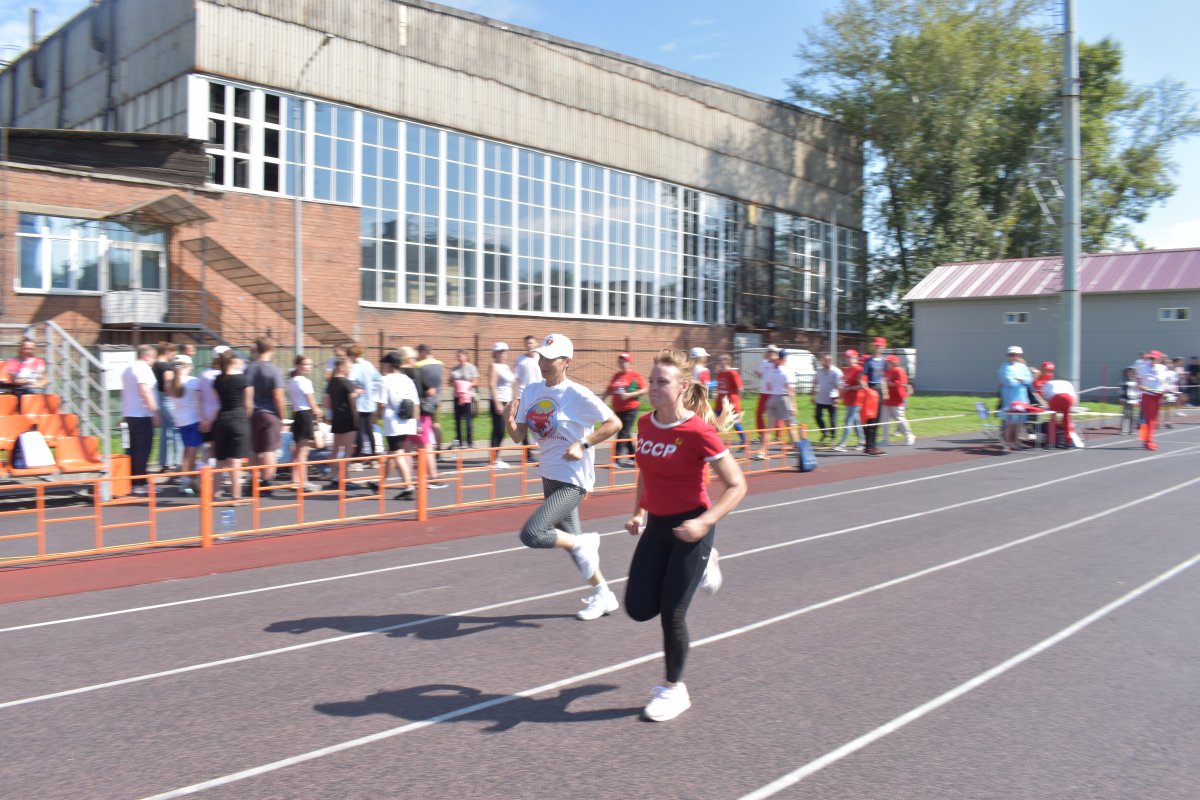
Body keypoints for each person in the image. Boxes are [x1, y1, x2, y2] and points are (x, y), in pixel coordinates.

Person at [624, 348, 747, 722]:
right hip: (657, 526)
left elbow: (737, 485)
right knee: (639, 607)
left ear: (683, 387)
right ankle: (705, 564)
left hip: (692, 529)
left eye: (662, 382)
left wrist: (705, 523)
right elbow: (645, 469)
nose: (653, 388)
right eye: (652, 381)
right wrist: (638, 511)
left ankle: (674, 689)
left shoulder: (698, 431)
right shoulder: (645, 424)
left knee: (672, 615)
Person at [505, 333, 621, 621]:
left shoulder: (577, 394)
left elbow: (614, 423)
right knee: (574, 546)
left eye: (551, 358)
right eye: (541, 357)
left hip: (573, 479)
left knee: (533, 534)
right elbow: (519, 437)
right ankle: (603, 594)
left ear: (567, 361)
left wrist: (583, 445)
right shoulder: (532, 391)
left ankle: (586, 546)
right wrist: (508, 420)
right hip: (549, 475)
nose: (543, 363)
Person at [244, 337, 287, 490]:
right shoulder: (274, 370)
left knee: (254, 449)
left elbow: (246, 394)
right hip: (269, 413)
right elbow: (278, 397)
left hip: (253, 413)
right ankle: (266, 482)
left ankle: (254, 481)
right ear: (271, 349)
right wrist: (282, 416)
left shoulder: (249, 368)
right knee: (270, 449)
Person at [401, 346, 446, 488]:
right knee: (426, 445)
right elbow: (431, 391)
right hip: (420, 412)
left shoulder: (397, 374)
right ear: (409, 359)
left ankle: (409, 480)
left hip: (403, 415)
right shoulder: (417, 371)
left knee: (406, 448)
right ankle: (433, 477)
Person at [375, 351, 418, 500]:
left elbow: (381, 403)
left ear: (389, 364)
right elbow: (416, 403)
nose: (382, 366)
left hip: (393, 422)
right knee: (393, 453)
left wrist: (376, 417)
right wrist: (416, 422)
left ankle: (409, 486)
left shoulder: (384, 380)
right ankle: (380, 483)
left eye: (384, 363)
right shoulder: (407, 379)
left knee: (397, 453)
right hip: (407, 421)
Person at [212, 350, 252, 500]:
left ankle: (214, 494)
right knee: (236, 461)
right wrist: (245, 419)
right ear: (234, 361)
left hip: (222, 419)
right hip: (239, 419)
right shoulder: (243, 379)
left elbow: (218, 401)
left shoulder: (217, 380)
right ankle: (236, 496)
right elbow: (248, 404)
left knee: (220, 461)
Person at [121, 344, 160, 495]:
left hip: (130, 414)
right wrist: (155, 413)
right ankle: (140, 483)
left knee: (133, 450)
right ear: (146, 356)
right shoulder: (143, 368)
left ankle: (133, 481)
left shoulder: (128, 369)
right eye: (153, 359)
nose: (154, 362)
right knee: (143, 450)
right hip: (142, 415)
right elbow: (145, 391)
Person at [601, 352, 647, 468]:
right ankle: (633, 457)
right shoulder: (617, 376)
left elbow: (644, 390)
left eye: (624, 362)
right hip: (618, 409)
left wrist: (630, 395)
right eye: (620, 362)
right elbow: (609, 389)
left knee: (622, 432)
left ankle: (616, 459)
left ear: (629, 363)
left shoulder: (635, 375)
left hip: (630, 409)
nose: (622, 364)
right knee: (626, 433)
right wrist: (601, 400)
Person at [287, 355, 323, 494]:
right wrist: (318, 412)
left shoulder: (292, 381)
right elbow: (311, 400)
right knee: (304, 450)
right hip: (305, 414)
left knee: (298, 450)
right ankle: (304, 482)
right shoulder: (304, 381)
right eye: (306, 364)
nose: (309, 367)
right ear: (298, 365)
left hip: (297, 414)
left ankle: (295, 480)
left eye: (310, 364)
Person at [754, 348, 799, 460]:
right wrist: (794, 405)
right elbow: (790, 390)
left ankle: (762, 452)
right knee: (790, 426)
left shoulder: (772, 369)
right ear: (784, 358)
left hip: (772, 398)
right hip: (783, 398)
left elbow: (768, 383)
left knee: (769, 427)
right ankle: (799, 449)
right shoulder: (786, 371)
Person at [170, 354, 204, 496]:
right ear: (188, 367)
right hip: (193, 420)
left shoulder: (172, 383)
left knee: (187, 452)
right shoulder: (193, 381)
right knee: (192, 454)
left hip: (181, 420)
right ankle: (188, 482)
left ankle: (186, 479)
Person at [347, 344, 381, 464]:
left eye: (349, 356)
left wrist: (357, 389)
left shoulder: (355, 367)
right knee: (368, 429)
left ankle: (359, 455)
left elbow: (349, 381)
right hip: (370, 402)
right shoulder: (368, 364)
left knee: (359, 429)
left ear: (353, 355)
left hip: (360, 401)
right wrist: (372, 389)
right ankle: (372, 455)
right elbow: (378, 378)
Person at [998, 345, 1034, 452]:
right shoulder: (1004, 367)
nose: (1013, 357)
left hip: (1022, 397)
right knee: (1010, 421)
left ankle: (1016, 440)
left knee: (1019, 421)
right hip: (1010, 397)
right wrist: (1018, 381)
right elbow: (1006, 380)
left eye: (1015, 354)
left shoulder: (1023, 367)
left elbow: (1029, 379)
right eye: (1011, 355)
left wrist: (1021, 380)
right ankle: (1008, 442)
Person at [152, 341, 180, 473]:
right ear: (168, 352)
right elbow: (168, 385)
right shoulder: (167, 366)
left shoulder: (155, 365)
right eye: (173, 353)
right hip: (168, 399)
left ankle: (165, 463)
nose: (173, 356)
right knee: (177, 429)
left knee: (166, 431)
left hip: (158, 398)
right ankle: (178, 463)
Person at [487, 342, 516, 469]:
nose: (503, 354)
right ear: (495, 353)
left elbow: (513, 383)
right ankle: (494, 459)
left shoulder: (507, 367)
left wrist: (514, 400)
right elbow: (492, 385)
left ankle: (496, 457)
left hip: (507, 401)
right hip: (498, 400)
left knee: (502, 430)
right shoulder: (494, 366)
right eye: (500, 351)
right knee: (498, 429)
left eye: (504, 351)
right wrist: (497, 403)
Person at [513, 334, 542, 459]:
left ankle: (543, 447)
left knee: (539, 422)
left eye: (532, 343)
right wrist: (515, 397)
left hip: (539, 395)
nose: (530, 346)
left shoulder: (541, 358)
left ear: (537, 344)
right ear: (525, 345)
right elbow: (516, 379)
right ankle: (527, 454)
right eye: (528, 343)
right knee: (522, 423)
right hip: (523, 394)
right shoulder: (520, 359)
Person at [831, 349, 864, 452]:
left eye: (849, 357)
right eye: (846, 357)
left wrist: (850, 388)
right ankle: (862, 441)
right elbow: (844, 384)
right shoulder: (846, 369)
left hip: (856, 400)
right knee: (856, 422)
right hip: (849, 399)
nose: (847, 359)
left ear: (855, 358)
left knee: (848, 422)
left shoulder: (858, 369)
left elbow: (862, 386)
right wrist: (840, 397)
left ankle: (843, 444)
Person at [415, 344, 446, 454]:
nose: (417, 355)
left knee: (424, 425)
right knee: (436, 425)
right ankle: (438, 449)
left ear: (424, 352)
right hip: (437, 398)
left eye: (418, 353)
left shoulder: (418, 365)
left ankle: (424, 448)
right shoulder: (440, 364)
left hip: (424, 400)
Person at [861, 337, 889, 456]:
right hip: (870, 390)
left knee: (876, 419)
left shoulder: (884, 362)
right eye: (876, 346)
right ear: (873, 347)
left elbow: (883, 377)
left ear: (883, 347)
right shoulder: (868, 361)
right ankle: (869, 446)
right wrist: (867, 390)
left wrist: (886, 390)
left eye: (880, 346)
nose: (878, 348)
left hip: (879, 390)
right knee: (869, 418)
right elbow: (861, 377)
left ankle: (870, 445)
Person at [713, 353, 747, 448]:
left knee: (735, 423)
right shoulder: (719, 374)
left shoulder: (733, 373)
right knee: (715, 423)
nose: (718, 362)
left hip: (731, 403)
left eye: (720, 360)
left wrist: (737, 401)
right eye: (718, 360)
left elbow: (740, 389)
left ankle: (744, 440)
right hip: (720, 403)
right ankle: (713, 442)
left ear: (726, 361)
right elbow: (719, 388)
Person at [1136, 350, 1168, 450]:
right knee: (1149, 418)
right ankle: (1148, 441)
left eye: (1154, 358)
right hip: (1147, 395)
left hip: (1158, 395)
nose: (1152, 359)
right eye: (1151, 358)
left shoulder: (1163, 368)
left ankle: (1148, 440)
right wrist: (1145, 389)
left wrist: (1165, 391)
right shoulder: (1142, 367)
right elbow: (1138, 383)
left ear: (1159, 358)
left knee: (1154, 419)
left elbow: (1164, 382)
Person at [881, 354, 915, 446]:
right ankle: (885, 439)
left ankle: (909, 436)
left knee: (899, 418)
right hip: (887, 398)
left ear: (894, 362)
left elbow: (901, 383)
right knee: (885, 419)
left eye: (889, 361)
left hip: (897, 398)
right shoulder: (887, 371)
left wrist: (887, 382)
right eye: (887, 361)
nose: (887, 363)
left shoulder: (899, 370)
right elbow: (884, 382)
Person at [449, 349, 480, 450]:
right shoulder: (454, 369)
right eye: (458, 356)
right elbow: (449, 382)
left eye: (462, 356)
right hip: (457, 396)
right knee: (457, 420)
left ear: (466, 356)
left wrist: (466, 384)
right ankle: (459, 442)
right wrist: (456, 383)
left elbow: (476, 382)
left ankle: (470, 442)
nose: (460, 358)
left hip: (467, 397)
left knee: (468, 420)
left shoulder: (471, 368)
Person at [811, 352, 842, 445]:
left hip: (832, 398)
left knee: (832, 420)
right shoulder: (819, 371)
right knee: (817, 416)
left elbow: (839, 386)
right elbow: (815, 383)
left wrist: (838, 398)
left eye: (827, 361)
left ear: (830, 361)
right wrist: (812, 395)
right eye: (824, 361)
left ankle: (833, 437)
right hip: (821, 398)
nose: (825, 362)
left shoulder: (836, 371)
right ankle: (824, 432)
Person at [1040, 376, 1078, 449]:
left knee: (1052, 419)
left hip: (1056, 397)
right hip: (1068, 398)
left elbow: (1045, 397)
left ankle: (1051, 442)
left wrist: (1048, 405)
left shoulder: (1048, 384)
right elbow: (1074, 397)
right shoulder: (1067, 383)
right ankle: (1068, 442)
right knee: (1066, 419)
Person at [753, 345, 779, 445]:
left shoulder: (777, 363)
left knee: (774, 414)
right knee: (758, 412)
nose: (771, 353)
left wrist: (775, 360)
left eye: (773, 352)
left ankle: (777, 435)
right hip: (764, 392)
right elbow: (763, 375)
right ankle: (761, 434)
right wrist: (758, 374)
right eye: (769, 351)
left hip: (773, 392)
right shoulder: (764, 363)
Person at [1119, 367, 1140, 435]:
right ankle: (1123, 430)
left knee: (1132, 415)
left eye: (1132, 372)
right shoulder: (1124, 380)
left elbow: (1136, 391)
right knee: (1126, 414)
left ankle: (1131, 430)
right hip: (1126, 399)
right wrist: (1122, 398)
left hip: (1132, 399)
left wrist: (1137, 399)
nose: (1130, 373)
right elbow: (1121, 390)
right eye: (1129, 372)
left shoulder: (1134, 380)